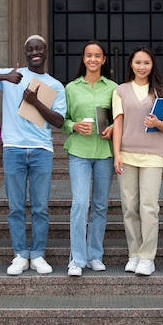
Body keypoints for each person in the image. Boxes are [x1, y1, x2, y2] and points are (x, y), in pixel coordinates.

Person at [0, 35, 66, 275]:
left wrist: (35, 102)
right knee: (15, 207)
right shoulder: (12, 75)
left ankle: (38, 254)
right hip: (14, 149)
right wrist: (5, 76)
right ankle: (20, 254)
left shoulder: (55, 85)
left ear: (46, 52)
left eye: (39, 48)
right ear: (25, 53)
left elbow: (58, 121)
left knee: (40, 207)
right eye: (30, 49)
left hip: (41, 151)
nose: (35, 52)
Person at [112, 46, 163, 276]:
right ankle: (134, 254)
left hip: (152, 155)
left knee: (149, 207)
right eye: (138, 62)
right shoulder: (120, 90)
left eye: (146, 62)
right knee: (129, 207)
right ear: (131, 64)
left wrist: (157, 123)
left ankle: (147, 257)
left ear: (152, 65)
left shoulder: (161, 91)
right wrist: (117, 154)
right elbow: (118, 123)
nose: (142, 67)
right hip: (127, 154)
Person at [62, 41, 117, 276]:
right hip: (79, 152)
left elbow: (119, 119)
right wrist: (73, 125)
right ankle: (77, 258)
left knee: (100, 205)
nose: (93, 59)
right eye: (88, 56)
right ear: (83, 59)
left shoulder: (114, 88)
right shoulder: (71, 88)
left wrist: (113, 128)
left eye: (97, 56)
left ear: (104, 60)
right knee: (80, 203)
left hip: (105, 152)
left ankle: (95, 255)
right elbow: (61, 120)